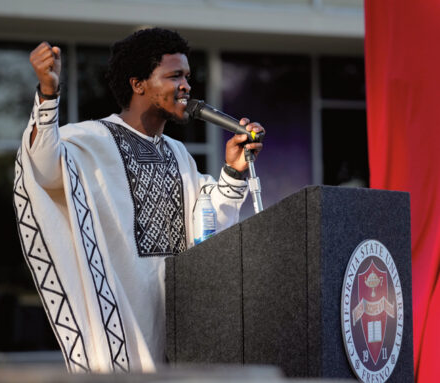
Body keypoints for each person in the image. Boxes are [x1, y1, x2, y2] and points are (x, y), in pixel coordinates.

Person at [14, 28, 264, 373]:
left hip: (178, 330)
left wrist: (234, 171)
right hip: (119, 331)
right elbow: (42, 167)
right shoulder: (89, 140)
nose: (186, 86)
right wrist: (48, 93)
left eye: (188, 77)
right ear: (138, 84)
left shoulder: (179, 155)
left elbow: (209, 226)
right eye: (174, 75)